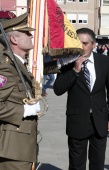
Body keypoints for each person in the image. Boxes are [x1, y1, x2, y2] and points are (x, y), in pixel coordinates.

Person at [53, 28, 109, 170]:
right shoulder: (67, 62)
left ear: (93, 44)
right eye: (78, 43)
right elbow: (58, 89)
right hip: (77, 120)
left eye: (85, 43)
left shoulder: (104, 61)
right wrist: (75, 70)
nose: (81, 47)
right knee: (77, 165)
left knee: (97, 164)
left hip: (100, 120)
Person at [0, 13, 40, 169]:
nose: (31, 36)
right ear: (14, 39)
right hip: (13, 149)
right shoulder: (6, 68)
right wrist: (23, 110)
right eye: (26, 33)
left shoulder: (18, 65)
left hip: (22, 147)